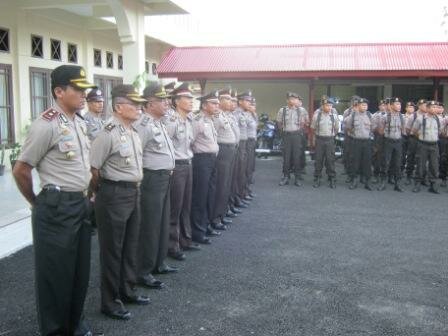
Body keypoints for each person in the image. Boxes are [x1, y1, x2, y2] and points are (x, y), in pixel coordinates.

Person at [13, 65, 101, 336]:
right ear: (59, 92)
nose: (84, 94)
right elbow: (21, 169)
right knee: (55, 276)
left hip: (80, 204)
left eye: (85, 89)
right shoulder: (46, 124)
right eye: (78, 89)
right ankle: (55, 330)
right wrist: (37, 202)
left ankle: (75, 323)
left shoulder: (78, 122)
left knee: (78, 271)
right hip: (56, 205)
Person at [90, 84, 150, 321]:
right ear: (118, 107)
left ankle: (127, 290)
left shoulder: (132, 131)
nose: (138, 108)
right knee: (112, 251)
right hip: (113, 195)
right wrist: (100, 192)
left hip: (133, 192)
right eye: (133, 104)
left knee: (130, 246)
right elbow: (93, 169)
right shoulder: (108, 132)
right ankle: (110, 301)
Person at [135, 82, 179, 285]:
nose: (167, 103)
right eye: (162, 100)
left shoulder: (159, 122)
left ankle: (158, 262)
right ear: (150, 103)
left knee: (162, 221)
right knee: (150, 225)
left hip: (164, 177)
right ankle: (143, 270)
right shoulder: (143, 124)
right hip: (151, 179)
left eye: (167, 99)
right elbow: (138, 153)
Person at [164, 82, 202, 260]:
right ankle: (172, 245)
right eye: (187, 98)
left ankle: (185, 240)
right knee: (175, 208)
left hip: (188, 163)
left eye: (191, 98)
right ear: (177, 101)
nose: (191, 101)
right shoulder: (171, 120)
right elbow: (166, 146)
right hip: (177, 166)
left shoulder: (188, 119)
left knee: (186, 204)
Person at [190, 90, 220, 245]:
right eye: (214, 103)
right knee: (200, 197)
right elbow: (190, 142)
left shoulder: (209, 120)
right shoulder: (198, 120)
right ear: (204, 105)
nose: (217, 106)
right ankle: (197, 231)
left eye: (217, 103)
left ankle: (206, 225)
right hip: (201, 161)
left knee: (210, 195)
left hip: (212, 160)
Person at [209, 87, 238, 231]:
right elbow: (212, 137)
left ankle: (221, 214)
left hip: (229, 151)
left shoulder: (224, 115)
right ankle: (215, 218)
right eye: (226, 99)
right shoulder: (215, 116)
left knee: (226, 185)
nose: (230, 101)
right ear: (219, 101)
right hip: (222, 152)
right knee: (220, 186)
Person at [277, 92, 308, 186]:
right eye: (291, 99)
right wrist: (283, 131)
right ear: (287, 100)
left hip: (297, 136)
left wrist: (301, 127)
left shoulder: (302, 110)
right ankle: (286, 176)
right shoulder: (283, 110)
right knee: (286, 157)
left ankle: (297, 178)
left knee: (297, 157)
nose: (293, 100)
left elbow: (307, 121)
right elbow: (279, 122)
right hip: (286, 136)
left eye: (294, 99)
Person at [411, 100, 441, 193]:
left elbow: (439, 131)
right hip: (423, 144)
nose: (435, 109)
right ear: (427, 108)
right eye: (432, 107)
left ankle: (433, 185)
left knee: (434, 165)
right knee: (420, 164)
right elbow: (414, 130)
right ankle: (417, 184)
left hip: (434, 145)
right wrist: (421, 137)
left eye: (436, 107)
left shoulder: (437, 118)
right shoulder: (420, 118)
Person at [344, 98, 373, 190]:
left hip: (367, 141)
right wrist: (354, 134)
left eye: (366, 105)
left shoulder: (369, 115)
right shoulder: (352, 116)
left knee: (367, 162)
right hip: (356, 141)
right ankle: (354, 180)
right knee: (355, 162)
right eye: (362, 105)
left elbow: (373, 127)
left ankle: (367, 181)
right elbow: (348, 127)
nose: (364, 107)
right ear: (358, 106)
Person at [310, 97, 339, 188]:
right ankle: (317, 178)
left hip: (330, 140)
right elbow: (313, 128)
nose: (329, 107)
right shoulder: (317, 116)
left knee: (330, 160)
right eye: (327, 105)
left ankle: (332, 178)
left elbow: (336, 129)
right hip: (320, 140)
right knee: (318, 160)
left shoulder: (334, 116)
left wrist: (331, 136)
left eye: (330, 105)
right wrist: (315, 139)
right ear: (322, 106)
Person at [377, 97, 405, 192]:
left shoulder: (402, 117)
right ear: (391, 105)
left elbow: (403, 130)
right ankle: (383, 182)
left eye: (400, 104)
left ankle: (397, 183)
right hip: (388, 141)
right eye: (397, 104)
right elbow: (380, 131)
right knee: (385, 162)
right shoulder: (385, 117)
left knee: (397, 163)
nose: (399, 106)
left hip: (398, 142)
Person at [405, 99, 426, 184]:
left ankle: (422, 177)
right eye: (423, 105)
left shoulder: (428, 115)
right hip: (414, 139)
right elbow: (407, 129)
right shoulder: (413, 116)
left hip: (424, 141)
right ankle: (409, 176)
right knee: (411, 157)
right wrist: (413, 136)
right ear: (419, 106)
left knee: (423, 159)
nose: (425, 107)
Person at [371, 99, 387, 183]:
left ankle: (386, 175)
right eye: (382, 105)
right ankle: (376, 174)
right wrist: (380, 128)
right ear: (379, 106)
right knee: (377, 156)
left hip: (388, 138)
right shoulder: (375, 115)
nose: (383, 107)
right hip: (378, 137)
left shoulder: (390, 115)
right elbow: (372, 128)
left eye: (385, 105)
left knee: (386, 157)